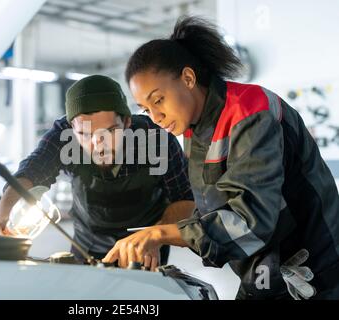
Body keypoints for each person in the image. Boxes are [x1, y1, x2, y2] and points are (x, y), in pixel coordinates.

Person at [102, 16, 339, 300]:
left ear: (188, 79)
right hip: (262, 272)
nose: (155, 117)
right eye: (145, 108)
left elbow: (250, 221)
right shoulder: (195, 131)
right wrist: (158, 233)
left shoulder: (251, 112)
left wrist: (161, 234)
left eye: (158, 100)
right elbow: (214, 211)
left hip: (313, 273)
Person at [0, 75, 195, 269]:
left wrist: (156, 236)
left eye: (110, 131)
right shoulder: (63, 136)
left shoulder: (156, 141)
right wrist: (2, 222)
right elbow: (29, 174)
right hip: (86, 242)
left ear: (127, 122)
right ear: (71, 128)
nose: (98, 144)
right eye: (85, 134)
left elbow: (184, 199)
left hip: (144, 244)